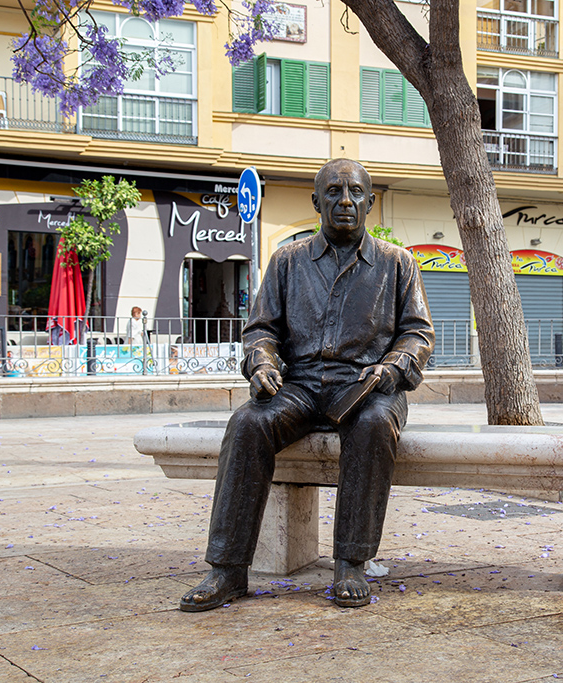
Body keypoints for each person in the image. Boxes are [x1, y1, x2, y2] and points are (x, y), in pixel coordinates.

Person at [179, 159, 434, 612]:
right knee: (247, 423)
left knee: (375, 423)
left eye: (356, 192)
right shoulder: (287, 261)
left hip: (365, 386)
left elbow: (418, 333)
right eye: (333, 192)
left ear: (370, 202)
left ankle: (351, 561)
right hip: (298, 386)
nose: (345, 201)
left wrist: (392, 367)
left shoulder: (398, 264)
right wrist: (261, 364)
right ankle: (227, 568)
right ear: (316, 201)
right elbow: (261, 330)